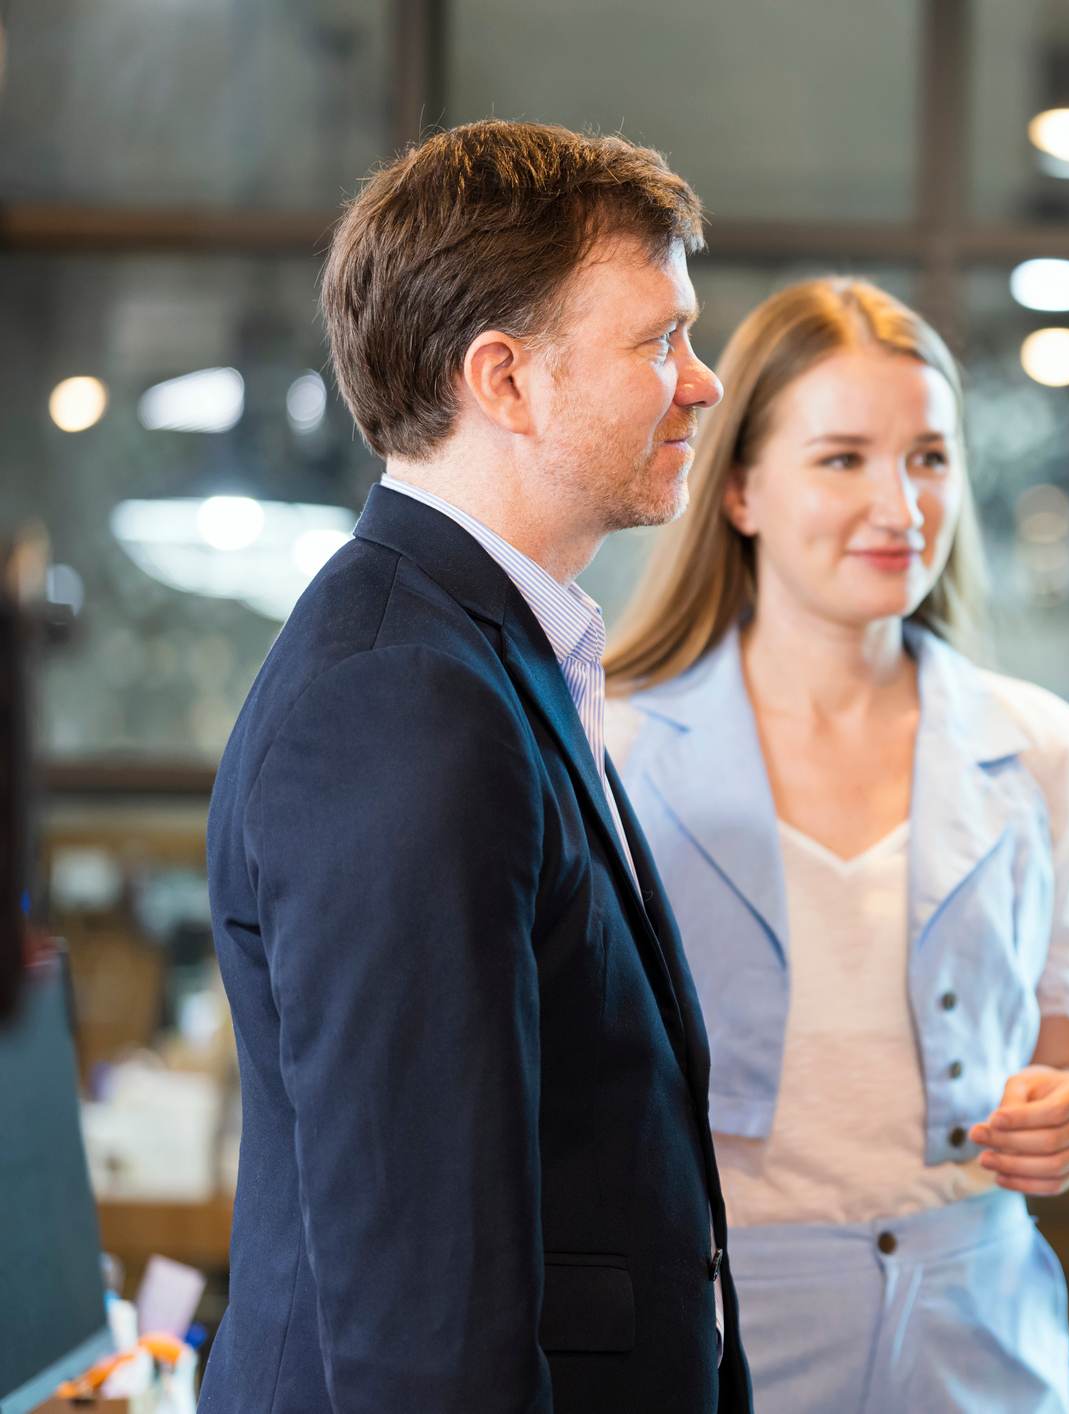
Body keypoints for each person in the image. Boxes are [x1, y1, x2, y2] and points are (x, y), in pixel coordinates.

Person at [203, 120, 749, 1412]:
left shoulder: (483, 650)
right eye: (659, 339)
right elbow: (425, 1303)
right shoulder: (404, 698)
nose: (702, 382)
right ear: (504, 381)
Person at [606, 277, 1069, 1413]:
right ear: (739, 489)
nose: (899, 506)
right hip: (720, 1320)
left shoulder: (1041, 748)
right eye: (842, 459)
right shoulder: (617, 745)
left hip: (979, 1327)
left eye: (929, 458)